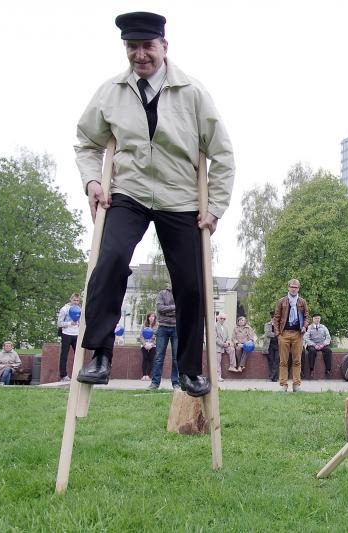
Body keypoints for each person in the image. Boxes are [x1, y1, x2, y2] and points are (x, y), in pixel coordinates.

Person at [73, 11, 235, 398]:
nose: (140, 54)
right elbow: (86, 143)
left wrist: (214, 207)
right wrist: (93, 180)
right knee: (109, 261)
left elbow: (223, 154)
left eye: (147, 46)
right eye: (133, 47)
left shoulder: (192, 93)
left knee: (192, 284)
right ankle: (99, 355)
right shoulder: (110, 92)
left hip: (180, 198)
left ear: (164, 46)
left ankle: (190, 368)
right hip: (127, 193)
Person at [273, 279, 309, 392]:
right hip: (284, 333)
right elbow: (276, 318)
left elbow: (307, 316)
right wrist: (278, 334)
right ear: (288, 288)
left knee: (297, 360)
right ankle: (283, 385)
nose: (294, 289)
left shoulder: (302, 302)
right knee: (283, 361)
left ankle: (296, 385)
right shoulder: (281, 301)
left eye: (296, 287)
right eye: (292, 287)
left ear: (298, 288)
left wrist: (305, 326)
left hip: (298, 334)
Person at [149, 283, 180, 390]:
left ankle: (176, 383)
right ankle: (155, 383)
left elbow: (182, 310)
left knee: (177, 358)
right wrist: (174, 308)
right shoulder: (162, 293)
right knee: (159, 357)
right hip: (162, 327)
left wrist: (168, 310)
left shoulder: (181, 293)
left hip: (176, 327)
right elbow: (160, 308)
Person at [56, 293, 81, 382]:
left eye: (77, 300)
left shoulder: (80, 309)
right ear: (70, 299)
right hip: (66, 334)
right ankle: (63, 375)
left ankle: (78, 373)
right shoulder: (64, 309)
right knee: (64, 355)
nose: (76, 302)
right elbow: (59, 323)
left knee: (79, 355)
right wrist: (70, 323)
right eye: (74, 300)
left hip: (76, 334)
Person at [305, 313, 332, 378]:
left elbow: (328, 337)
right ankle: (311, 370)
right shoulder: (309, 327)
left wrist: (323, 344)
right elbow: (306, 338)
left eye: (319, 318)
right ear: (313, 319)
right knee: (312, 351)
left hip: (322, 344)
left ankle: (328, 370)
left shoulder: (323, 327)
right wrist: (314, 345)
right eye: (316, 318)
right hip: (312, 344)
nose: (317, 320)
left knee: (328, 351)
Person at [138, 312, 157, 381]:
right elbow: (141, 336)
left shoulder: (157, 326)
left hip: (153, 346)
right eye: (150, 316)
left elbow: (157, 337)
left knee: (151, 360)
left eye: (153, 316)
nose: (151, 318)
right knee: (145, 359)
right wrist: (145, 344)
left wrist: (151, 344)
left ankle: (148, 375)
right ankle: (144, 375)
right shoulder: (144, 325)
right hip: (144, 345)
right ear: (148, 318)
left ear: (155, 318)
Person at [262, 311, 279, 382]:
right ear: (271, 318)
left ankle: (272, 376)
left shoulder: (280, 325)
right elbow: (267, 333)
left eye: (276, 319)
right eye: (273, 318)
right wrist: (277, 333)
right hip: (269, 345)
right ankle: (274, 378)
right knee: (271, 361)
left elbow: (282, 333)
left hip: (278, 345)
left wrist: (277, 333)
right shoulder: (267, 324)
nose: (274, 320)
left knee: (276, 361)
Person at [214, 312, 230, 381]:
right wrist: (223, 344)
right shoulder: (214, 326)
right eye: (221, 318)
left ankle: (233, 366)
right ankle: (218, 376)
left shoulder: (225, 327)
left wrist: (228, 342)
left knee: (232, 350)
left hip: (224, 347)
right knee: (218, 363)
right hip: (217, 347)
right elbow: (215, 338)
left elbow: (228, 338)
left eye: (224, 318)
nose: (222, 320)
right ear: (218, 318)